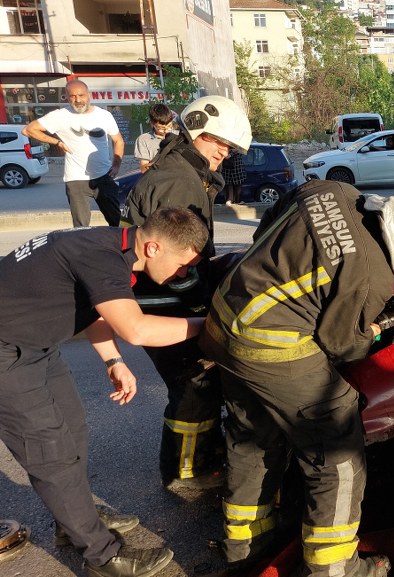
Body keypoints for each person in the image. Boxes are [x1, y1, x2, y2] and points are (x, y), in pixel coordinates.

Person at [198, 181, 394, 576]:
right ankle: (335, 567)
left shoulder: (333, 192)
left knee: (254, 438)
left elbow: (270, 225)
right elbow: (341, 345)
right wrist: (373, 330)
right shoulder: (369, 274)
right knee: (337, 453)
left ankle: (246, 544)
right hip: (269, 346)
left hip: (224, 320)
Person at [0, 207, 209, 577]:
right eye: (182, 265)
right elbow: (137, 330)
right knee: (51, 453)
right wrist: (212, 325)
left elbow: (98, 310)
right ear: (154, 248)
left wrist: (114, 361)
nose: (183, 274)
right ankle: (103, 557)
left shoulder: (115, 247)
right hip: (6, 353)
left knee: (73, 428)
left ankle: (72, 519)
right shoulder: (101, 255)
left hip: (35, 345)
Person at [123, 95, 252, 491]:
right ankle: (185, 472)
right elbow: (175, 257)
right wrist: (202, 308)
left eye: (229, 147)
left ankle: (202, 457)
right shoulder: (180, 182)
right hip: (164, 303)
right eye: (219, 142)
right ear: (197, 131)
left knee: (200, 381)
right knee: (195, 382)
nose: (224, 153)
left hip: (163, 300)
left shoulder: (182, 171)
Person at [22, 79, 124, 227]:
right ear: (67, 97)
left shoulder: (104, 115)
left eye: (81, 95)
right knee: (81, 227)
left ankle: (120, 242)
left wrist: (116, 165)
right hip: (76, 180)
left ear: (89, 95)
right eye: (73, 96)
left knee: (118, 222)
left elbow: (118, 141)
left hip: (103, 176)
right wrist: (57, 142)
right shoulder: (59, 116)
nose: (77, 100)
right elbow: (28, 130)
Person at [135, 102, 176, 173]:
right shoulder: (144, 139)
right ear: (152, 124)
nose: (166, 130)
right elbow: (143, 169)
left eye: (169, 126)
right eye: (161, 128)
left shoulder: (179, 136)